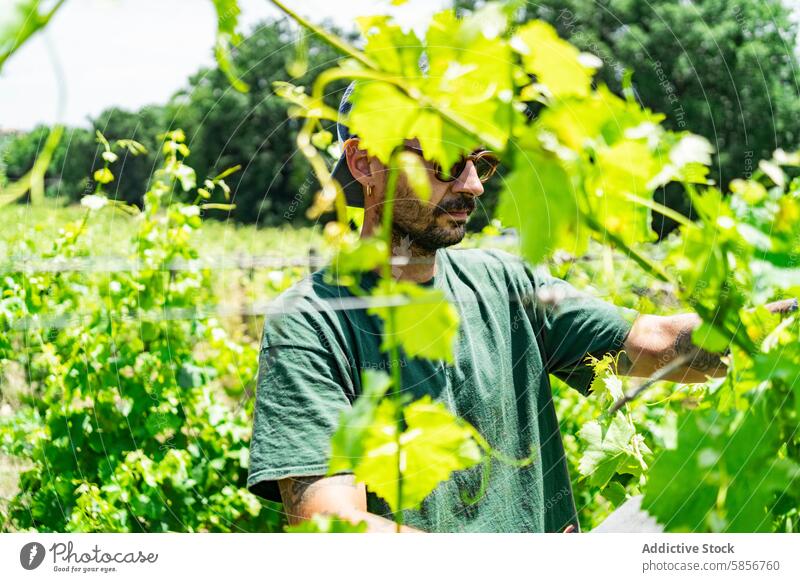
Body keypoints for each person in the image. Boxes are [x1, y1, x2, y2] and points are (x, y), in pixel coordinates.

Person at [246, 85, 796, 533]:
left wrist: (779, 328)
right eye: (442, 162)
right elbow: (332, 528)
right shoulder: (311, 322)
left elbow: (658, 344)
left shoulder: (506, 282)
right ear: (364, 161)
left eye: (479, 163)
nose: (472, 185)